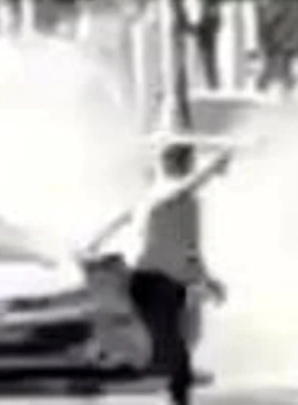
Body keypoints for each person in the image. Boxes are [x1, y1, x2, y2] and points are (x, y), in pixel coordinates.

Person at [98, 141, 233, 405]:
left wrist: (207, 279)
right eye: (180, 162)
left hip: (173, 284)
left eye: (186, 162)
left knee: (178, 347)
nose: (184, 167)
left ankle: (173, 389)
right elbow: (123, 219)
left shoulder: (189, 204)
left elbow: (190, 247)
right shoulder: (159, 194)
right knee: (171, 348)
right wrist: (213, 168)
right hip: (149, 280)